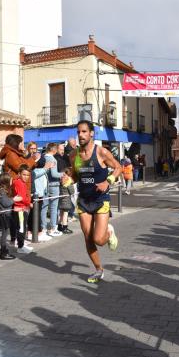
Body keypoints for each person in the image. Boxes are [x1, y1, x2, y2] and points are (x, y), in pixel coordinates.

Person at [69, 120, 122, 283]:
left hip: (100, 199)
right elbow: (76, 176)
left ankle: (109, 232)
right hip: (84, 200)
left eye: (84, 131)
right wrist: (68, 179)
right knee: (88, 237)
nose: (80, 135)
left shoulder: (101, 152)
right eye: (78, 132)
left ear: (91, 133)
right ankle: (99, 270)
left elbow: (118, 167)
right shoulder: (73, 155)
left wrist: (108, 181)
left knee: (99, 240)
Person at [40, 143, 63, 237]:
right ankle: (53, 228)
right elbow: (54, 174)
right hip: (54, 185)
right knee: (54, 208)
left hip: (44, 184)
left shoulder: (43, 157)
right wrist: (62, 174)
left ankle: (43, 228)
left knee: (44, 207)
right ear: (54, 149)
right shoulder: (52, 159)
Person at [0, 173, 19, 260]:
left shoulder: (4, 191)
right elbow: (5, 203)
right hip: (3, 216)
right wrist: (14, 199)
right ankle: (3, 252)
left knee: (5, 233)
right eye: (11, 180)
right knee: (4, 235)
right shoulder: (1, 191)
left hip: (6, 215)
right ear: (6, 181)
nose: (12, 181)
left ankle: (4, 250)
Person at [11, 165, 33, 254]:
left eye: (28, 175)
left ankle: (21, 244)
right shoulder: (19, 183)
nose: (26, 177)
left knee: (21, 227)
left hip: (21, 209)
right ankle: (20, 247)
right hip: (20, 209)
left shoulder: (20, 182)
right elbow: (21, 197)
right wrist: (29, 203)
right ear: (19, 174)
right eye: (24, 175)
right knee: (21, 228)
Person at [58, 168, 75, 234]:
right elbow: (72, 192)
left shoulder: (61, 181)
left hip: (61, 200)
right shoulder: (69, 182)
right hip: (66, 201)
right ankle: (65, 227)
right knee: (65, 214)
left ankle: (59, 226)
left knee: (61, 214)